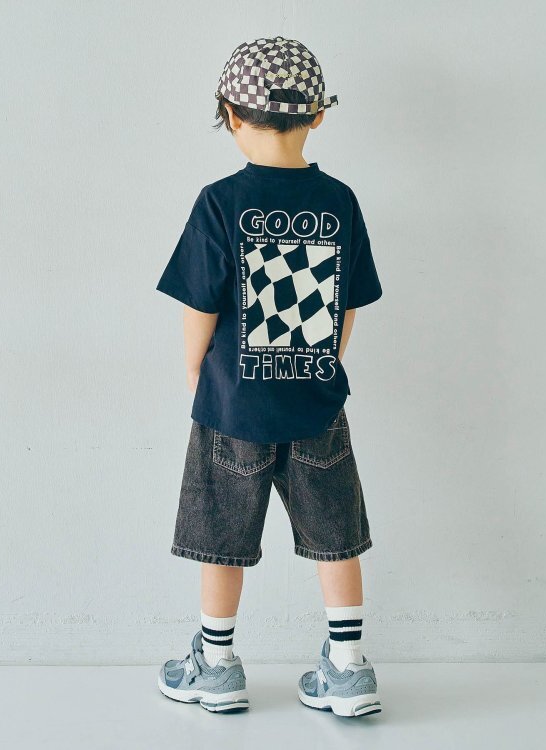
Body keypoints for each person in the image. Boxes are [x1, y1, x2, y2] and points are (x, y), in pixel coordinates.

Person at [154, 36, 383, 717]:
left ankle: (217, 665)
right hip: (317, 406)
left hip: (233, 404)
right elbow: (345, 306)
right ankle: (349, 668)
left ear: (229, 112)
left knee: (222, 536)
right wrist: (323, 363)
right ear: (318, 114)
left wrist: (195, 369)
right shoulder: (339, 201)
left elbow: (201, 304)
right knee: (335, 533)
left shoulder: (220, 201)